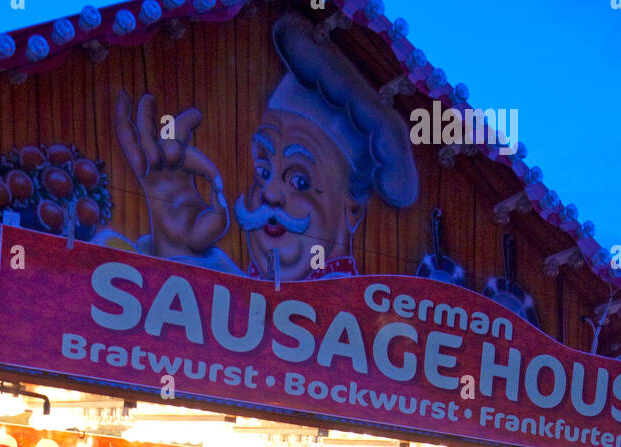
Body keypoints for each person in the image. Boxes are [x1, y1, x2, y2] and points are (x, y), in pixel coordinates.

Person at [108, 12, 418, 281]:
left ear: (351, 210)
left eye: (300, 180)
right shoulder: (231, 296)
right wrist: (175, 246)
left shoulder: (363, 325)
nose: (269, 193)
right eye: (263, 170)